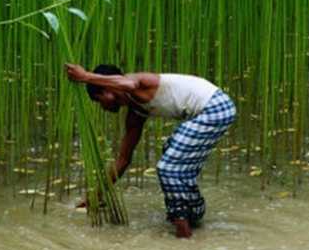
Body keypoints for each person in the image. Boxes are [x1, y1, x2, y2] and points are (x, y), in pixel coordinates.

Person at [65, 63, 236, 238]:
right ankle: (193, 213)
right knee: (172, 153)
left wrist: (85, 76)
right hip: (211, 111)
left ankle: (183, 234)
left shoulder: (136, 80)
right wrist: (96, 196)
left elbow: (128, 84)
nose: (102, 107)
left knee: (167, 168)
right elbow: (123, 160)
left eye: (99, 99)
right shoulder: (136, 113)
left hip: (216, 108)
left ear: (107, 89)